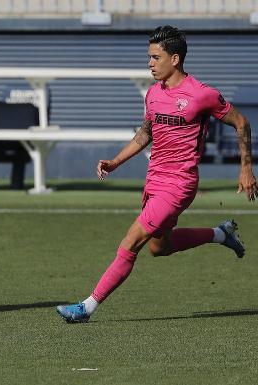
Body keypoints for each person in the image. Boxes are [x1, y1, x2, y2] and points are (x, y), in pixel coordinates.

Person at [56, 25, 257, 323]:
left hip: (180, 184)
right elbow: (145, 134)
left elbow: (241, 122)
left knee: (131, 241)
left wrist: (246, 168)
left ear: (174, 59)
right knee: (158, 247)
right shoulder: (152, 93)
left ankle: (87, 307)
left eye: (155, 57)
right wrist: (115, 162)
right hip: (154, 180)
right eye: (149, 57)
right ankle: (220, 234)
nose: (149, 63)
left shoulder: (202, 95)